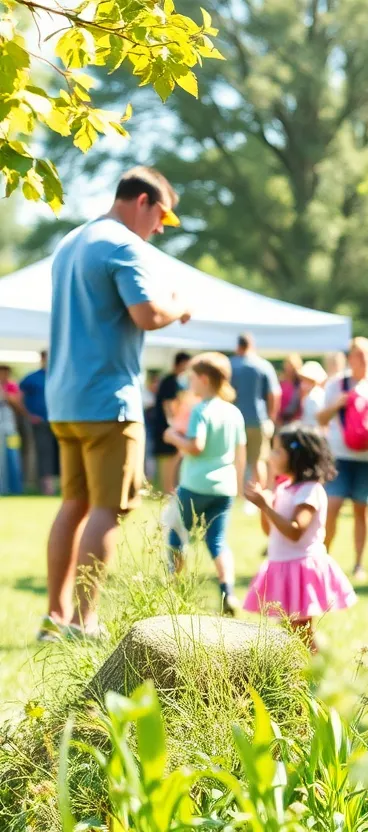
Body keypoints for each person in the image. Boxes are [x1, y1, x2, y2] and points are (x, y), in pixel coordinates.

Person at [42, 166, 191, 641]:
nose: (161, 228)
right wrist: (177, 305)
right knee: (108, 509)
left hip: (65, 399)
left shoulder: (71, 242)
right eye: (162, 215)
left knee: (73, 505)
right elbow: (146, 314)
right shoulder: (125, 245)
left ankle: (55, 616)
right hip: (108, 400)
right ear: (143, 200)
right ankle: (85, 622)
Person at [243, 424, 356, 653]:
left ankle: (316, 673)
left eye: (277, 451)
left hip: (300, 567)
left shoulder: (309, 490)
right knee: (288, 629)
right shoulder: (284, 487)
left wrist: (266, 505)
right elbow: (272, 531)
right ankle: (301, 675)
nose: (270, 456)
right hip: (282, 565)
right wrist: (265, 506)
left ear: (296, 457)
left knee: (301, 631)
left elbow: (295, 531)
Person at [161, 353, 246, 615]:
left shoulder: (201, 410)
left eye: (192, 379)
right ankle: (227, 591)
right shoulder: (233, 412)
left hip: (195, 485)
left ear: (204, 379)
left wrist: (173, 436)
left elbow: (196, 447)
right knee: (217, 541)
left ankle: (176, 589)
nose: (189, 384)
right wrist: (239, 485)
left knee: (176, 531)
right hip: (225, 487)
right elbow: (240, 452)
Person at [317, 338, 368, 580]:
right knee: (332, 506)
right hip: (339, 456)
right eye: (359, 355)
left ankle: (358, 564)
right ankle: (323, 558)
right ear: (350, 357)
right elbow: (321, 418)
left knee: (361, 510)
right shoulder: (337, 384)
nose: (364, 360)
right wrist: (338, 404)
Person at [230, 332, 280, 497]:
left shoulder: (231, 365)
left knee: (237, 459)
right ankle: (259, 496)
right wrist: (271, 417)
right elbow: (274, 394)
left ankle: (237, 494)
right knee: (258, 460)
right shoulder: (263, 365)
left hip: (235, 419)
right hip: (258, 419)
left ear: (238, 346)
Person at [149, 352, 191, 494]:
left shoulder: (178, 381)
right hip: (168, 425)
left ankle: (169, 488)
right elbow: (169, 404)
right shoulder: (170, 381)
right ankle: (167, 489)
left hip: (173, 425)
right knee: (169, 458)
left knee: (175, 457)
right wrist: (174, 424)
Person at [19, 351, 57, 496]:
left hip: (60, 421)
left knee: (62, 453)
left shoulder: (59, 375)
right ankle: (48, 487)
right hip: (41, 422)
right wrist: (28, 415)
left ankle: (65, 486)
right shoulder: (31, 378)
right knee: (44, 452)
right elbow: (18, 397)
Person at [0, 364, 25, 495]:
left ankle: (15, 488)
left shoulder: (12, 386)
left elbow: (18, 404)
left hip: (11, 429)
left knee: (13, 456)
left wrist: (7, 396)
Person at [296, 360, 328, 427]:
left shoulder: (313, 397)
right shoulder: (315, 394)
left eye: (305, 380)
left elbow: (314, 422)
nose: (302, 383)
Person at [278, 353, 304, 426]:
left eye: (292, 367)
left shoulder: (300, 384)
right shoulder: (281, 381)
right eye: (288, 366)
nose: (289, 369)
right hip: (280, 420)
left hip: (295, 421)